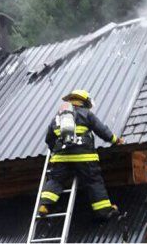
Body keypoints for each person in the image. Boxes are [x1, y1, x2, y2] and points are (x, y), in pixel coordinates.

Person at [38, 90, 124, 220]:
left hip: (61, 158)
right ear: (84, 102)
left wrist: (56, 151)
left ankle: (45, 206)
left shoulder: (58, 117)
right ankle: (104, 211)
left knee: (55, 180)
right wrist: (116, 140)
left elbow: (49, 139)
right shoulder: (87, 114)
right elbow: (102, 130)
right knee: (93, 181)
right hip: (84, 158)